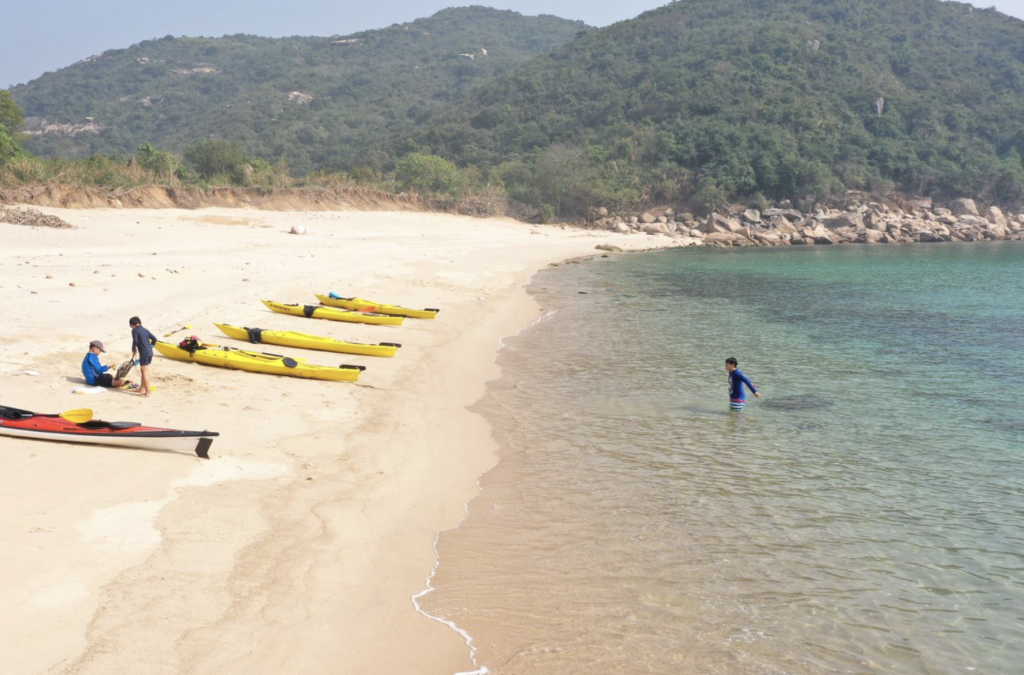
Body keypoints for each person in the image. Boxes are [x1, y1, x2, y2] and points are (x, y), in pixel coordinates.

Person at [130, 317, 157, 397]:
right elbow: (154, 339)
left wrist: (133, 349)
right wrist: (151, 346)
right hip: (150, 352)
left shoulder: (134, 330)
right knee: (143, 371)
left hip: (144, 353)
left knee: (144, 372)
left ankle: (147, 392)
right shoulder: (145, 330)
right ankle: (141, 388)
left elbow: (135, 340)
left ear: (132, 325)